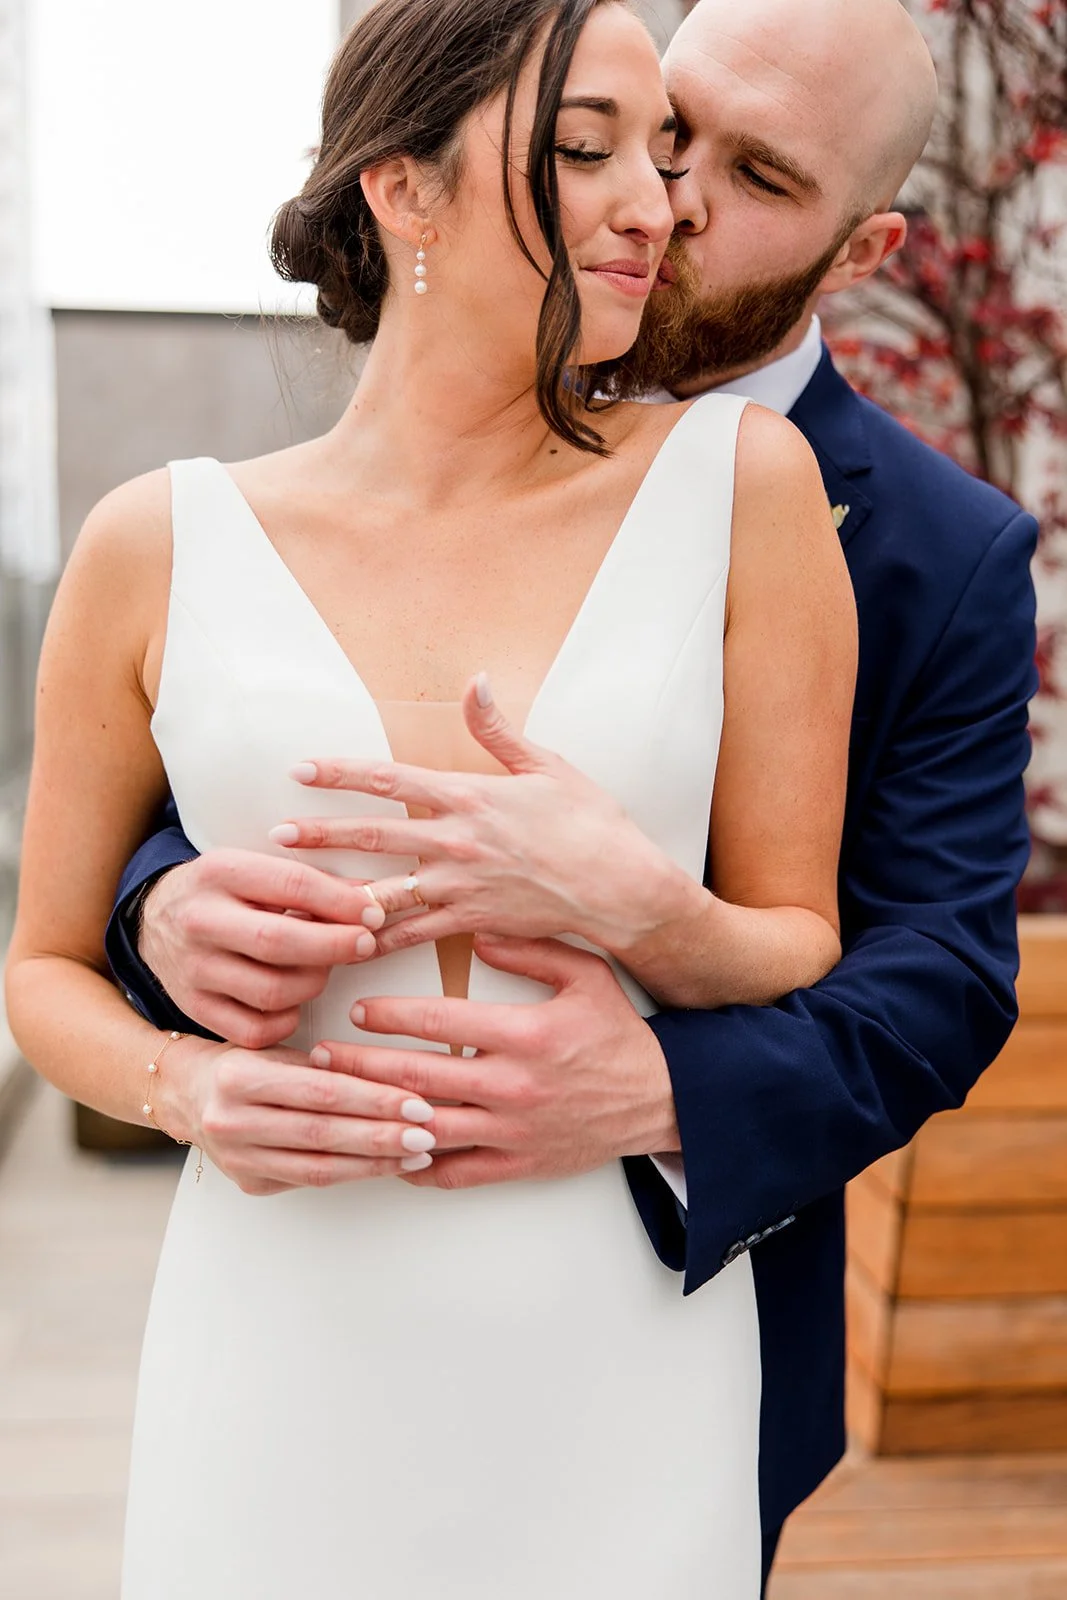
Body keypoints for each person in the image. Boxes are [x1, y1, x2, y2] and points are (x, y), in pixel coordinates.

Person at [102, 0, 1040, 1592]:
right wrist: (163, 899)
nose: (668, 204)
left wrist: (663, 1083)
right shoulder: (427, 399)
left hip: (656, 1301)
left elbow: (939, 977)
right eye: (655, 131)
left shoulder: (935, 555)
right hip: (302, 1293)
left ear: (862, 250)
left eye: (753, 178)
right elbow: (235, 714)